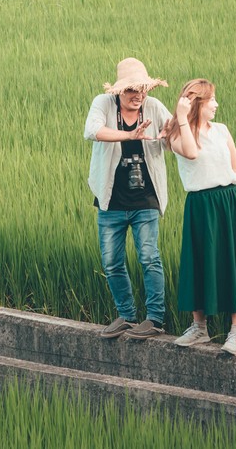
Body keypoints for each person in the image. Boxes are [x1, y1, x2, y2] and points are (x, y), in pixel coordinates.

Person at [162, 78, 236, 355]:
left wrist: (223, 183)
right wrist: (181, 117)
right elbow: (192, 153)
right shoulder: (176, 135)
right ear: (196, 103)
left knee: (233, 260)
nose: (216, 105)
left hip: (229, 201)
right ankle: (200, 328)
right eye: (211, 101)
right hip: (200, 204)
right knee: (200, 261)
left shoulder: (221, 130)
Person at [84, 57, 171, 340]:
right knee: (111, 262)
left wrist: (173, 131)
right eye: (133, 90)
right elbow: (92, 131)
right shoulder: (104, 104)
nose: (139, 95)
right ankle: (126, 316)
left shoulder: (154, 107)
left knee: (149, 257)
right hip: (111, 200)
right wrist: (129, 134)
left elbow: (173, 135)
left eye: (143, 89)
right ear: (120, 91)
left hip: (146, 197)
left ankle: (155, 319)